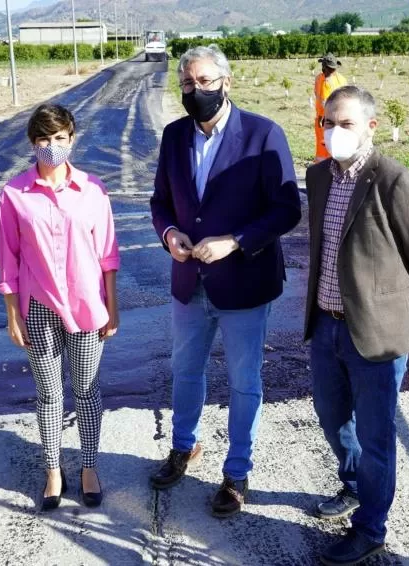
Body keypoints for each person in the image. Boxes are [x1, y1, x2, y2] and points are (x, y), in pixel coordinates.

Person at [149, 44, 301, 517]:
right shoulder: (174, 135)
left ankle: (237, 472)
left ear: (226, 83)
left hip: (244, 283)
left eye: (205, 81)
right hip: (189, 281)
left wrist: (235, 241)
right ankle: (183, 447)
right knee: (185, 371)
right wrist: (170, 234)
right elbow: (160, 202)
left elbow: (287, 209)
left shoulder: (262, 134)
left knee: (243, 381)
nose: (196, 90)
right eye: (188, 83)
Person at [304, 86, 409, 565]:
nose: (334, 132)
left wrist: (402, 306)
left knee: (376, 436)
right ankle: (353, 485)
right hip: (326, 325)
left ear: (371, 127)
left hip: (376, 334)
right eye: (328, 123)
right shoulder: (317, 176)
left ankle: (370, 528)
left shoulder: (394, 180)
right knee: (331, 417)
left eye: (345, 123)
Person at [0, 103, 120, 511]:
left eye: (60, 138)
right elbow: (9, 259)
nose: (53, 146)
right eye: (44, 139)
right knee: (49, 394)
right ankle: (52, 469)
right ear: (33, 143)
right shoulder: (14, 195)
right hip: (39, 308)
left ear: (72, 138)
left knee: (86, 389)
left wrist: (113, 307)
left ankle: (89, 466)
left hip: (87, 305)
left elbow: (108, 254)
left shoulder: (93, 190)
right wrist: (13, 315)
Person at [314, 53, 348, 163]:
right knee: (322, 146)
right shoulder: (319, 79)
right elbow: (318, 97)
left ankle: (331, 166)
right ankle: (322, 167)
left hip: (332, 120)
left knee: (331, 145)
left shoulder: (337, 80)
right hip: (323, 119)